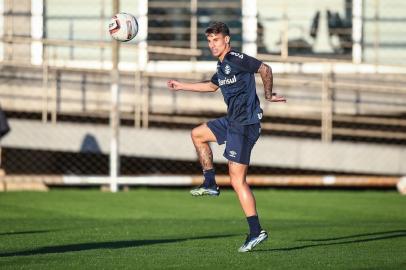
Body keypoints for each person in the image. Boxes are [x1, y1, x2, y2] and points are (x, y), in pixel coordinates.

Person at [167, 22, 286, 252]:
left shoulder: (236, 58)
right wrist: (181, 85)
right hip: (232, 121)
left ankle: (256, 231)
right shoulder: (221, 66)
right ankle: (210, 182)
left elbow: (265, 69)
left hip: (245, 125)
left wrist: (269, 95)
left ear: (227, 40)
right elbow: (211, 87)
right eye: (209, 41)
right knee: (198, 134)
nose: (212, 44)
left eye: (216, 40)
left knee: (237, 180)